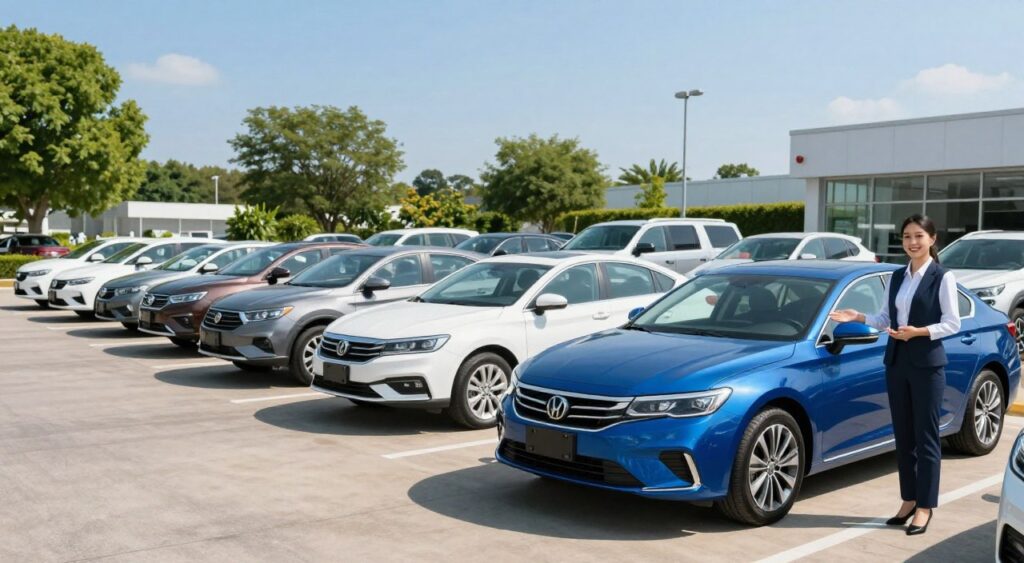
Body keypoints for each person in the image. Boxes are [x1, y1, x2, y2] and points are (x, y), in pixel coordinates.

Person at [828, 214, 959, 536]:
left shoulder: (943, 277)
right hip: (897, 363)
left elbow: (953, 323)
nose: (912, 242)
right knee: (903, 436)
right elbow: (885, 317)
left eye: (918, 236)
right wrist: (857, 315)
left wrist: (919, 332)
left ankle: (925, 507)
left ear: (932, 239)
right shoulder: (897, 276)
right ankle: (908, 499)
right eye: (906, 237)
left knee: (926, 437)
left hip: (928, 365)